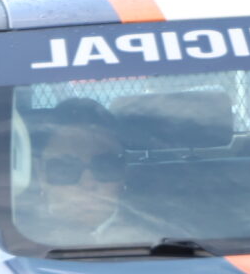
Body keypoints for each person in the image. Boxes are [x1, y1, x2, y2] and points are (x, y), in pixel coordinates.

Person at [14, 100, 150, 247]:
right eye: (66, 169)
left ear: (124, 171)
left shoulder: (156, 236)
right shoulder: (12, 236)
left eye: (104, 166)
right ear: (41, 174)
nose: (88, 183)